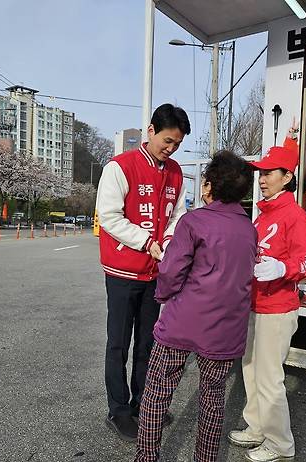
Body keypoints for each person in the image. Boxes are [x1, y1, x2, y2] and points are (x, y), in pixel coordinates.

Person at [135, 151, 257, 462]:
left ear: (210, 186)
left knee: (157, 393)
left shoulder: (193, 222)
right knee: (214, 399)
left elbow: (172, 271)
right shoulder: (249, 229)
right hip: (225, 330)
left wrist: (163, 295)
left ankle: (147, 457)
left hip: (182, 322)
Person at [96, 104, 190, 441]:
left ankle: (142, 406)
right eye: (167, 140)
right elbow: (108, 216)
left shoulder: (176, 173)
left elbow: (178, 214)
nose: (171, 148)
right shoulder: (120, 167)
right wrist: (147, 241)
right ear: (150, 131)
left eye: (177, 144)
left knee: (148, 344)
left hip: (155, 273)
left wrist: (167, 239)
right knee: (118, 344)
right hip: (122, 270)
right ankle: (118, 410)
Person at [228, 133, 306, 462]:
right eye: (261, 173)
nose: (262, 179)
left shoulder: (295, 216)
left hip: (277, 310)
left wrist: (283, 267)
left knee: (269, 379)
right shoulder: (263, 214)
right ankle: (256, 428)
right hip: (254, 305)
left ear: (287, 177)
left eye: (269, 173)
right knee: (250, 370)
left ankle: (280, 444)